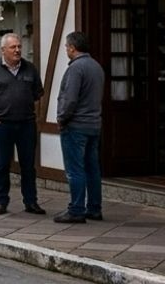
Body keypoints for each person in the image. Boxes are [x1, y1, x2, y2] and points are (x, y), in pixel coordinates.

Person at [0, 32, 46, 216]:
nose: (17, 50)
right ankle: (1, 202)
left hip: (26, 125)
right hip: (3, 125)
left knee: (28, 166)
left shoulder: (30, 69)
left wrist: (36, 118)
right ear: (3, 50)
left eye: (19, 47)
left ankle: (31, 202)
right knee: (2, 165)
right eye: (13, 47)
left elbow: (38, 95)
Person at [54, 31, 104, 224]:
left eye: (66, 47)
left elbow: (70, 98)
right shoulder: (96, 66)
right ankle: (94, 208)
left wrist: (61, 118)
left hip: (76, 125)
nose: (66, 50)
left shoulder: (76, 68)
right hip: (94, 124)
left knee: (75, 169)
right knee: (92, 168)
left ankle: (76, 209)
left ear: (73, 48)